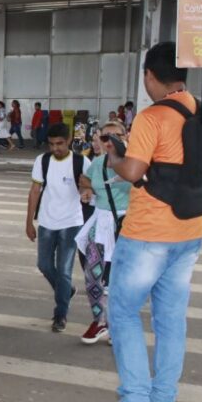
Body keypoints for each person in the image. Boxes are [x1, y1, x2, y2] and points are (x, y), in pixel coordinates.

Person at [89, 41, 202, 402]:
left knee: (122, 313)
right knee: (171, 320)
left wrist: (116, 156)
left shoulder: (153, 116)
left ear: (150, 75)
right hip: (190, 230)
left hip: (149, 234)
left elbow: (133, 169)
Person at [25, 122, 91, 332]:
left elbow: (91, 191)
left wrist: (86, 187)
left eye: (60, 144)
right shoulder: (42, 161)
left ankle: (60, 314)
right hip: (46, 221)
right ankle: (66, 291)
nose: (55, 148)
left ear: (69, 140)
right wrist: (28, 222)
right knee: (44, 265)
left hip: (72, 222)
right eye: (52, 144)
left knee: (63, 270)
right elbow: (35, 190)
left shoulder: (82, 162)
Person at [75, 120, 130, 344]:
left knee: (119, 280)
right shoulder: (98, 163)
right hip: (100, 222)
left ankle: (118, 325)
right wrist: (87, 190)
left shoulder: (135, 161)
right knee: (93, 275)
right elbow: (85, 179)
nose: (111, 141)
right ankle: (100, 321)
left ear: (125, 136)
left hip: (127, 223)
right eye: (106, 137)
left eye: (116, 135)